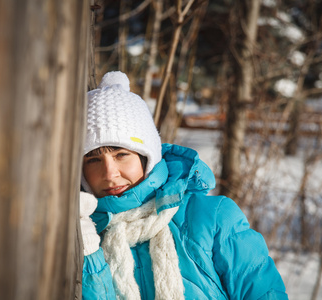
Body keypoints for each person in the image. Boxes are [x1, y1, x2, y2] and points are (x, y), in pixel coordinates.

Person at [79, 71, 288, 299]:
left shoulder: (212, 219)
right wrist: (90, 256)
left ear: (147, 157)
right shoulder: (84, 233)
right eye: (93, 159)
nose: (109, 174)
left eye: (121, 155)